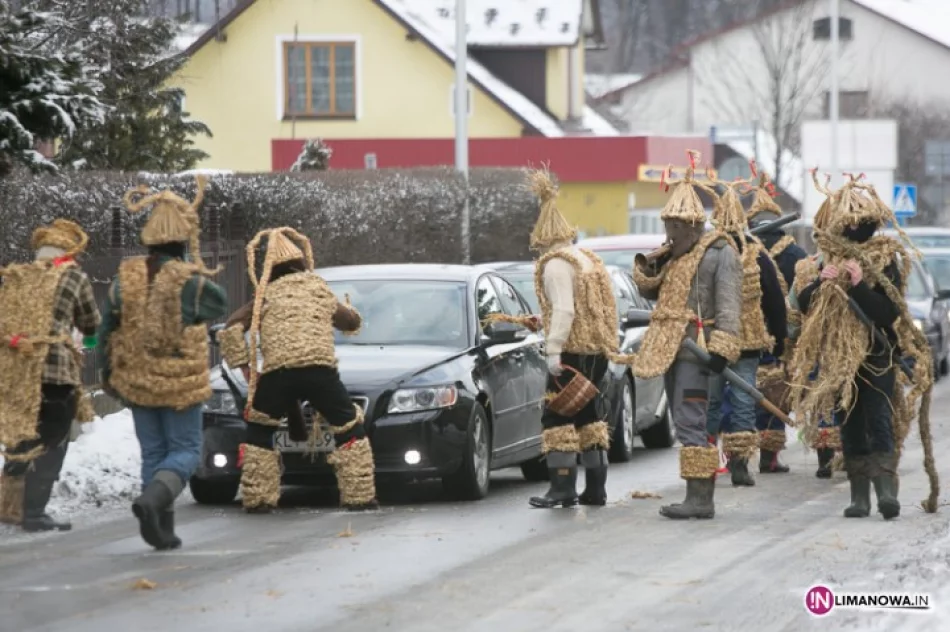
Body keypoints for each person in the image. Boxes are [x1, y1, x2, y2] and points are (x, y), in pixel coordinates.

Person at [787, 173, 934, 520]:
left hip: (877, 355)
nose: (855, 231)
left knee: (879, 420)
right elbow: (805, 307)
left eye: (861, 224)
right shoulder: (826, 262)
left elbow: (887, 311)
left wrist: (857, 286)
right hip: (840, 362)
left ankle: (885, 491)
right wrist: (821, 285)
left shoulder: (885, 262)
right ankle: (859, 497)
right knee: (850, 424)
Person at [97, 176, 227, 549]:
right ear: (182, 241)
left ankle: (160, 528)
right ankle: (154, 501)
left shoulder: (127, 277)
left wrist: (108, 374)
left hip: (137, 382)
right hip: (179, 382)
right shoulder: (188, 279)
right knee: (185, 450)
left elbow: (108, 326)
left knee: (154, 452)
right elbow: (217, 302)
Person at [217, 227, 376, 513]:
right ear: (302, 262)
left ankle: (258, 500)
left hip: (279, 375)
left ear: (271, 269)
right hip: (321, 374)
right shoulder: (318, 289)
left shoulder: (265, 296)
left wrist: (246, 369)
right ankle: (360, 497)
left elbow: (230, 328)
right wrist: (352, 313)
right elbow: (349, 323)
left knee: (259, 430)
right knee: (350, 427)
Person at [632, 151, 742, 520]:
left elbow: (729, 306)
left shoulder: (719, 253)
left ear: (693, 226)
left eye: (676, 229)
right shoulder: (675, 257)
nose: (670, 235)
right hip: (672, 349)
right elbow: (652, 291)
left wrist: (723, 350)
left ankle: (700, 498)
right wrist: (656, 262)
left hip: (698, 350)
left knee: (691, 418)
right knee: (682, 419)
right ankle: (696, 494)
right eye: (668, 228)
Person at [521, 168, 619, 509]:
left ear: (542, 236)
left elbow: (564, 310)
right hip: (596, 351)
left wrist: (553, 351)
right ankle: (596, 489)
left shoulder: (555, 265)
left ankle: (561, 487)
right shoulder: (587, 259)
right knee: (589, 417)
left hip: (572, 352)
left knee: (557, 416)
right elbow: (600, 307)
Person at [0, 220, 100, 532]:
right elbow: (90, 321)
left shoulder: (17, 277)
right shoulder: (71, 276)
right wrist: (91, 340)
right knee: (53, 438)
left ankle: (8, 506)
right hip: (54, 373)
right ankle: (33, 511)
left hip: (17, 371)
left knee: (22, 435)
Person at [704, 177, 787, 487]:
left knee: (710, 402)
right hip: (748, 341)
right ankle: (738, 464)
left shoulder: (706, 251)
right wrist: (778, 340)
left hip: (712, 341)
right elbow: (776, 300)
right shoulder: (757, 252)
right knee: (742, 401)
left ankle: (706, 462)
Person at [745, 169, 806, 474]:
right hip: (784, 335)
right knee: (777, 394)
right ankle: (769, 457)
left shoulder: (742, 250)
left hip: (744, 335)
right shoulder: (796, 254)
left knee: (745, 395)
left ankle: (738, 457)